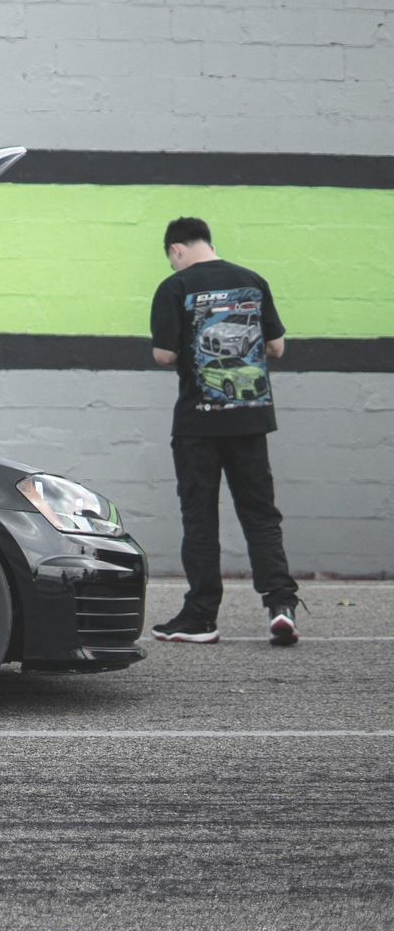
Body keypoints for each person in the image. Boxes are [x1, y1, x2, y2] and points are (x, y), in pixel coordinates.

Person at [148, 217, 302, 646]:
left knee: (200, 519)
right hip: (250, 420)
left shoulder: (174, 287)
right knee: (261, 515)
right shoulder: (252, 281)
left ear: (176, 249)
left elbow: (164, 354)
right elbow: (276, 348)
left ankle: (200, 617)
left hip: (198, 423)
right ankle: (281, 605)